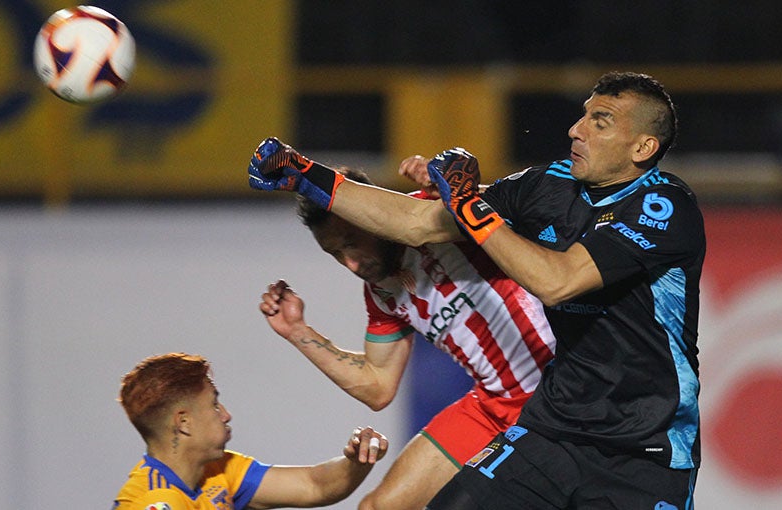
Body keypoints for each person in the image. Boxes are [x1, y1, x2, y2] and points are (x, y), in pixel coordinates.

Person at [248, 71, 704, 509]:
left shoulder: (663, 207)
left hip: (645, 441)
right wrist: (304, 174)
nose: (575, 129)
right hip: (553, 422)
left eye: (598, 121)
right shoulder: (547, 184)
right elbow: (413, 220)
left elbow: (557, 282)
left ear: (643, 146)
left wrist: (467, 205)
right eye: (582, 115)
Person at [258, 166, 556, 510]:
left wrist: (454, 192)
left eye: (352, 244)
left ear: (371, 215)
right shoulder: (382, 292)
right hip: (494, 406)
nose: (352, 264)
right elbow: (377, 385)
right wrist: (298, 332)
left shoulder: (432, 214)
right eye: (336, 254)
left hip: (564, 394)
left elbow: (525, 206)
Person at [112, 352, 389, 509]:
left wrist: (358, 459)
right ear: (183, 422)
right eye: (214, 404)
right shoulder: (157, 500)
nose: (226, 414)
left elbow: (314, 485)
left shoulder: (217, 471)